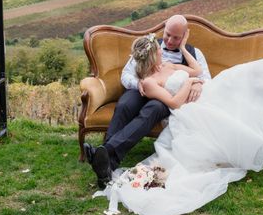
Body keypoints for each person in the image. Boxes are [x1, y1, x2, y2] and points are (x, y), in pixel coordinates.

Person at [93, 33, 263, 215]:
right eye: (159, 51)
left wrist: (185, 52)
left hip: (207, 91)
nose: (164, 52)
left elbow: (196, 71)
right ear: (152, 57)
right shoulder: (149, 82)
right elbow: (174, 101)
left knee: (240, 75)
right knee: (239, 84)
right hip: (193, 105)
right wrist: (192, 83)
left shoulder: (169, 67)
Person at [84, 15, 211, 188]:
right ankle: (107, 164)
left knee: (152, 109)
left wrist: (196, 83)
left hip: (166, 96)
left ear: (185, 35)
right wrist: (139, 84)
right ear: (164, 28)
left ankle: (104, 155)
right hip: (141, 89)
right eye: (168, 35)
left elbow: (204, 77)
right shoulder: (149, 46)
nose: (170, 40)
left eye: (176, 37)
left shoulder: (194, 52)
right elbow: (126, 74)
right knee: (124, 105)